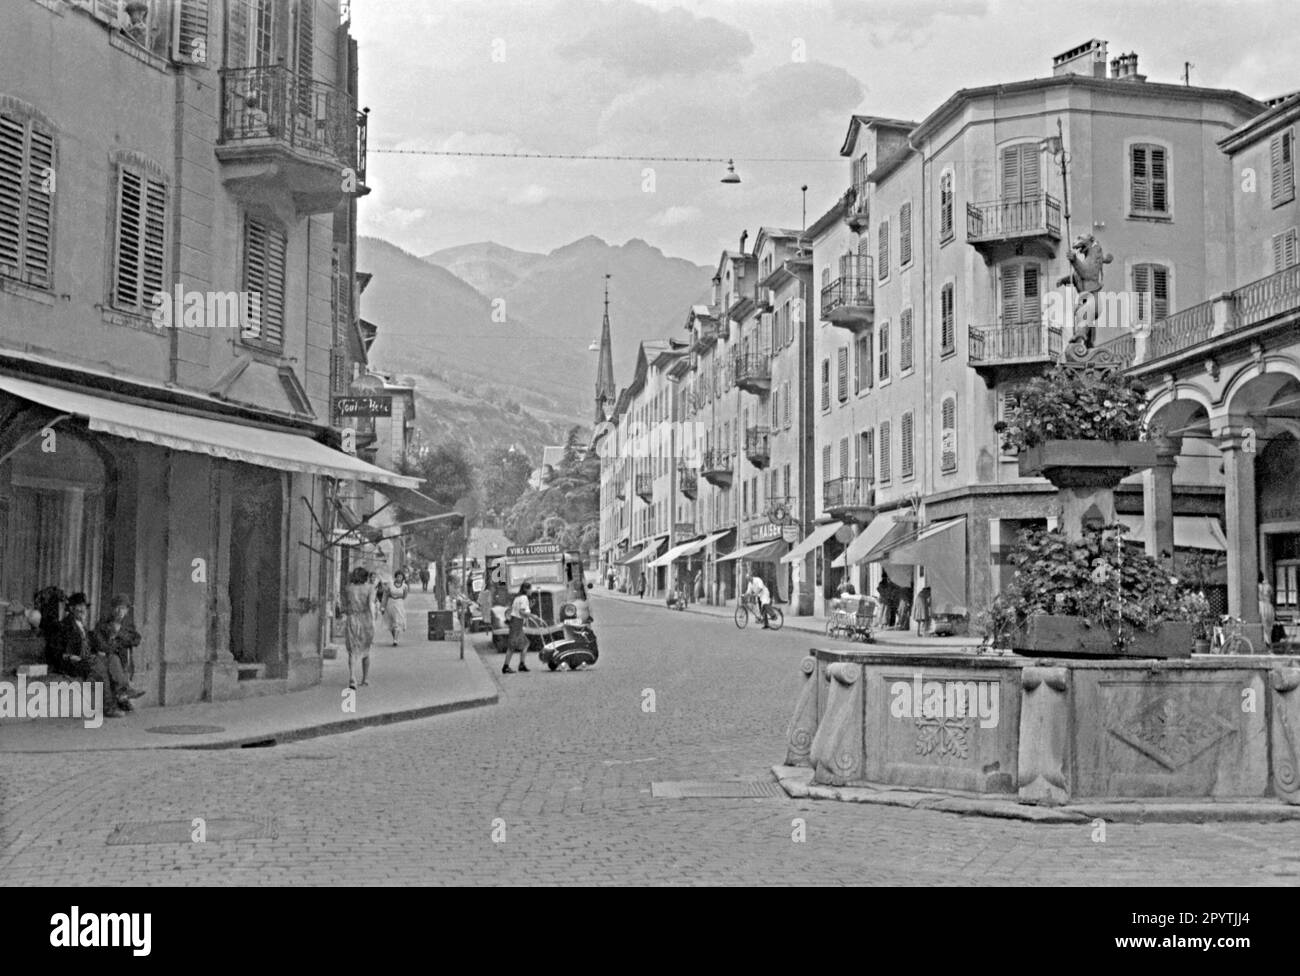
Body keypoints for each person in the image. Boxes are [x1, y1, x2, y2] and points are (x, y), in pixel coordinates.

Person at [58, 593, 144, 716]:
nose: (83, 610)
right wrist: (72, 656)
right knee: (101, 666)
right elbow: (61, 650)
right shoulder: (65, 626)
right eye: (79, 607)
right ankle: (109, 706)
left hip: (101, 659)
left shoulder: (83, 626)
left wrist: (118, 636)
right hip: (75, 662)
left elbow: (136, 639)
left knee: (112, 659)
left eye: (84, 607)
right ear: (71, 609)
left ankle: (123, 691)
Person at [342, 567, 376, 690]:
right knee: (366, 650)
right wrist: (373, 621)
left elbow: (344, 607)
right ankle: (365, 678)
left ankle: (352, 677)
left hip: (352, 619)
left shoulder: (348, 588)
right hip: (365, 619)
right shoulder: (370, 588)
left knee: (352, 650)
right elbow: (371, 605)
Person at [502, 581, 533, 674]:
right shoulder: (524, 598)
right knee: (513, 646)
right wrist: (529, 614)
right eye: (530, 589)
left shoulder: (517, 598)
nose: (531, 591)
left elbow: (516, 610)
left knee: (524, 643)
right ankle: (507, 666)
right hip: (517, 624)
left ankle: (520, 664)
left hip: (514, 622)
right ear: (526, 589)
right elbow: (522, 612)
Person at [384, 571, 410, 646]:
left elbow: (404, 596)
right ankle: (394, 638)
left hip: (399, 604)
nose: (399, 578)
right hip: (390, 604)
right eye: (398, 576)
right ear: (395, 577)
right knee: (391, 622)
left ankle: (395, 639)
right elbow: (386, 594)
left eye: (401, 577)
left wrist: (398, 597)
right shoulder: (390, 585)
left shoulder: (405, 586)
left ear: (403, 578)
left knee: (397, 621)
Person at [1260, 571, 1276, 650]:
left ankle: (1267, 645)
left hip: (1261, 606)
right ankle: (1270, 645)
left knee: (1264, 627)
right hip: (1269, 606)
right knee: (1269, 628)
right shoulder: (1268, 586)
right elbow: (1272, 595)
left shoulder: (1256, 587)